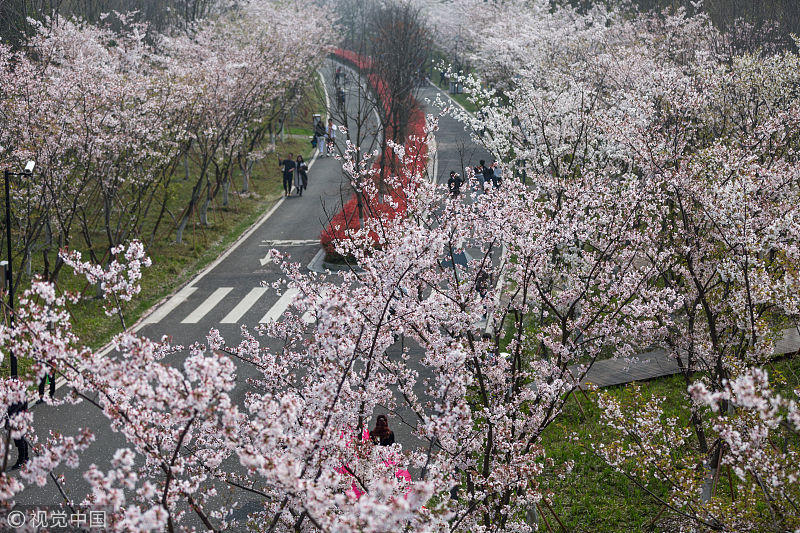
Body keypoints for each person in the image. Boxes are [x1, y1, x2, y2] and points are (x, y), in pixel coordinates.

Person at [7, 400, 29, 470]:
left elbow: (17, 406)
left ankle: (21, 460)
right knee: (21, 439)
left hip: (17, 419)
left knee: (19, 441)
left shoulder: (18, 395)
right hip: (18, 417)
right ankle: (25, 458)